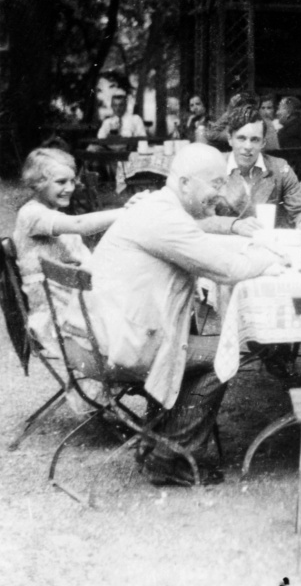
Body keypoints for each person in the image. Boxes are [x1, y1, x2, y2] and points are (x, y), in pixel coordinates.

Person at [91, 144, 284, 485]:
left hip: (121, 331)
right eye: (215, 184)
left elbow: (205, 246)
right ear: (183, 183)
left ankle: (161, 441)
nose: (220, 193)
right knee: (229, 353)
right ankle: (168, 457)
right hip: (133, 342)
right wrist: (273, 260)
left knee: (209, 346)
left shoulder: (161, 209)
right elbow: (226, 269)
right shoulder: (164, 219)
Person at [13, 148, 131, 355]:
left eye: (72, 181)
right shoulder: (31, 214)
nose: (69, 188)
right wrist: (127, 212)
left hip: (73, 302)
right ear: (38, 183)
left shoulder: (51, 212)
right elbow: (80, 223)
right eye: (61, 182)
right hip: (59, 315)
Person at [205, 105, 301, 234]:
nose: (248, 146)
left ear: (263, 143)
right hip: (226, 247)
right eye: (241, 138)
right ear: (230, 139)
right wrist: (234, 225)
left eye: (255, 140)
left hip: (266, 246)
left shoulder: (279, 168)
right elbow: (196, 219)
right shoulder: (212, 168)